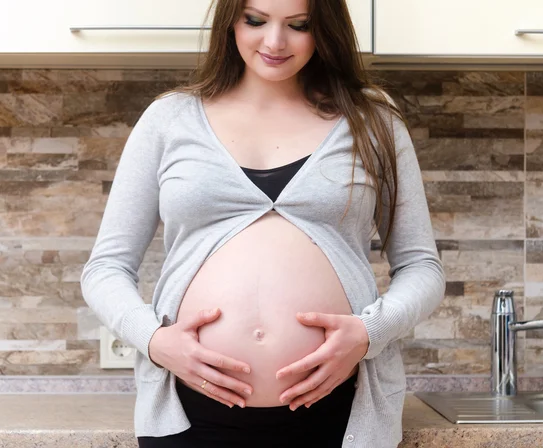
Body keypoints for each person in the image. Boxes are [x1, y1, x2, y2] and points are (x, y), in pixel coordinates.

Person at [80, 0, 446, 447]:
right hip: (191, 416)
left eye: (299, 25)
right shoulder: (169, 119)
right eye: (255, 20)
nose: (275, 42)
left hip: (339, 412)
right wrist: (155, 341)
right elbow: (105, 269)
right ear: (230, 21)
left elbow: (422, 267)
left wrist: (368, 335)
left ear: (325, 28)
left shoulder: (373, 121)